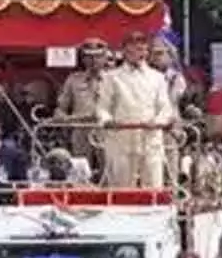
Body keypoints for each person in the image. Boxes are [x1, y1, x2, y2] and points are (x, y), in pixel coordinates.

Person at [95, 31, 174, 187]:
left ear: (146, 51)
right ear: (124, 51)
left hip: (150, 140)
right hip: (121, 140)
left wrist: (157, 122)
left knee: (153, 188)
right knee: (121, 188)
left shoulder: (157, 78)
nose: (137, 53)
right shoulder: (111, 77)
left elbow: (165, 108)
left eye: (141, 49)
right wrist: (108, 121)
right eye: (132, 50)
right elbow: (102, 108)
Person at [54, 37, 108, 172]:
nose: (93, 61)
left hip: (106, 131)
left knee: (108, 172)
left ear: (104, 58)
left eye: (97, 56)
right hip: (81, 130)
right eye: (89, 57)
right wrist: (65, 118)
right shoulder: (73, 80)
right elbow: (60, 109)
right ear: (83, 59)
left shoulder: (113, 79)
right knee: (80, 172)